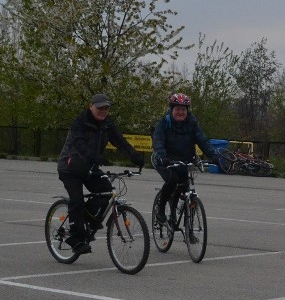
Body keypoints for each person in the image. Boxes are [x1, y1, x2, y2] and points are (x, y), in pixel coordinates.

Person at [57, 93, 145, 255]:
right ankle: (76, 239)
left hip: (89, 167)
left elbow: (121, 142)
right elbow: (79, 143)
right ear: (91, 106)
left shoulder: (107, 125)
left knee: (106, 191)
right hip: (70, 166)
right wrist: (93, 156)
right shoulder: (79, 122)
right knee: (76, 200)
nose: (103, 111)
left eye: (106, 108)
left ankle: (88, 221)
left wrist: (135, 157)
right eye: (99, 108)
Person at [151, 93, 218, 224]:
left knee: (185, 187)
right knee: (172, 179)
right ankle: (161, 208)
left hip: (184, 160)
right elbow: (158, 141)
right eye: (177, 109)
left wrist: (213, 155)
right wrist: (163, 156)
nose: (180, 112)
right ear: (172, 110)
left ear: (187, 111)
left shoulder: (192, 123)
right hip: (164, 160)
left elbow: (202, 140)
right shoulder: (164, 122)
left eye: (183, 109)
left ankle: (188, 230)